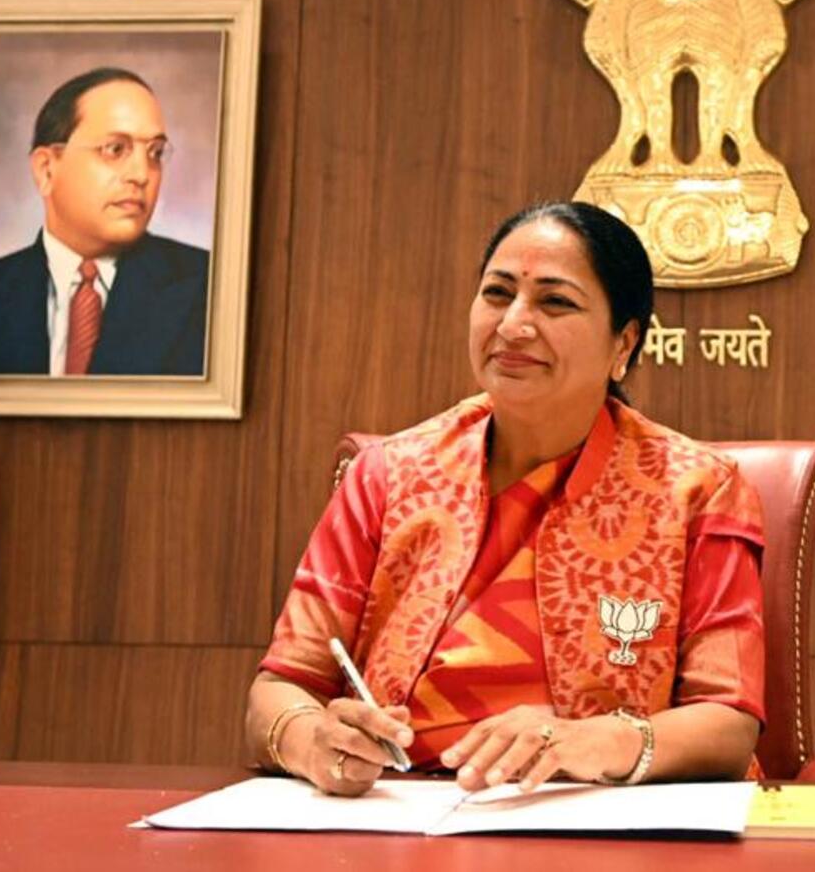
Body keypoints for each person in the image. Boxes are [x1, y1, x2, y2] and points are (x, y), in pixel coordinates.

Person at [246, 202, 766, 796]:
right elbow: (278, 689)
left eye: (555, 302)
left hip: (594, 813)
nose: (514, 324)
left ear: (623, 343)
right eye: (497, 294)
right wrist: (310, 740)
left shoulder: (697, 490)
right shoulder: (386, 476)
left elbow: (729, 724)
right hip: (397, 811)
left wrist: (594, 741)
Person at [0, 67, 209, 376]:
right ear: (46, 170)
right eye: (115, 149)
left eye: (156, 153)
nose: (141, 174)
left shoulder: (210, 289)